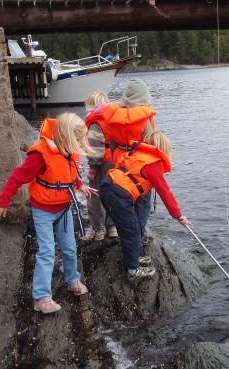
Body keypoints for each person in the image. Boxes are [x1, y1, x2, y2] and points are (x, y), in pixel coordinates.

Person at [0, 113, 91, 314]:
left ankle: (72, 280)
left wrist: (80, 185)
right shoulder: (39, 156)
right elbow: (16, 178)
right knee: (46, 251)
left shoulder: (69, 152)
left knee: (70, 248)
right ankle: (41, 297)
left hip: (64, 208)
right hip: (43, 211)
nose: (80, 144)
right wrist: (3, 201)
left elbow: (69, 174)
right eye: (78, 140)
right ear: (65, 137)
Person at [100, 131, 189, 283]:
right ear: (163, 150)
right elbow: (165, 192)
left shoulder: (136, 155)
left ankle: (136, 256)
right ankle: (133, 271)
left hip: (107, 186)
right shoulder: (153, 164)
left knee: (127, 228)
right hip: (119, 196)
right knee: (132, 231)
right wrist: (177, 215)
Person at [97, 79, 157, 245]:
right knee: (143, 202)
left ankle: (128, 234)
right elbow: (150, 144)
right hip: (140, 168)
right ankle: (138, 235)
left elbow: (111, 143)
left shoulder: (113, 118)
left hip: (121, 165)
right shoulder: (144, 120)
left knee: (127, 201)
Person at [81, 90, 118, 241]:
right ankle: (113, 227)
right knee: (112, 194)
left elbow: (95, 148)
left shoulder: (95, 123)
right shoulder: (114, 119)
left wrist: (93, 167)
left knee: (94, 195)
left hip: (101, 164)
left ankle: (98, 228)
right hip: (115, 163)